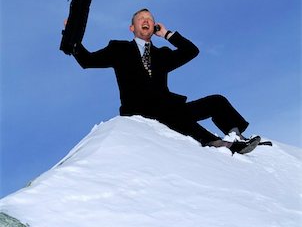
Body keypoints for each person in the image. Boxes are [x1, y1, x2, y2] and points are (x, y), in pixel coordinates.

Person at [71, 8, 261, 155]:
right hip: (140, 110)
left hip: (170, 109)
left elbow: (191, 51)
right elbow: (87, 61)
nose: (146, 20)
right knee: (178, 117)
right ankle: (218, 143)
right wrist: (72, 36)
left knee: (216, 101)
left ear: (154, 27)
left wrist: (168, 34)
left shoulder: (162, 55)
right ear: (132, 28)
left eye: (150, 19)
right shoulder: (119, 49)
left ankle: (235, 135)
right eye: (141, 19)